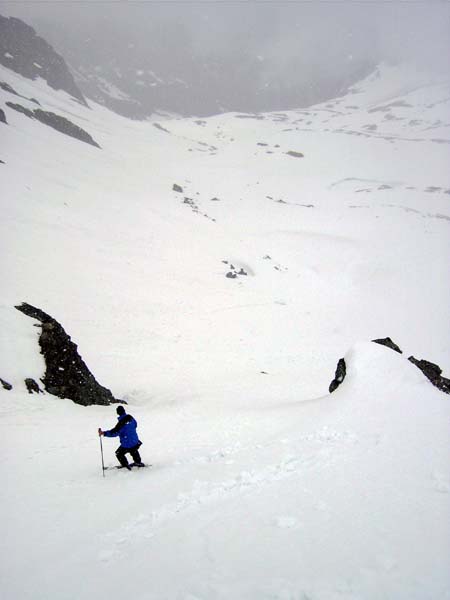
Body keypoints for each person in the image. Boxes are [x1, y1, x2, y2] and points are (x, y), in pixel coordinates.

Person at [99, 406, 144, 470]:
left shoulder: (121, 424)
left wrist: (104, 433)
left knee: (119, 453)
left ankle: (125, 465)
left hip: (127, 443)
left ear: (117, 413)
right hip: (135, 440)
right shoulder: (131, 417)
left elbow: (114, 433)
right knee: (133, 449)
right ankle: (138, 462)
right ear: (124, 411)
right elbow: (135, 425)